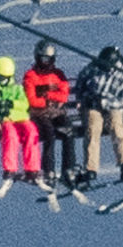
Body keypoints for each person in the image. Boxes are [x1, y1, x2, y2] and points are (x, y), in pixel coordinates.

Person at [22, 39, 83, 188]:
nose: (46, 63)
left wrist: (47, 96)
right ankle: (48, 170)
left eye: (49, 59)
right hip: (39, 114)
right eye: (43, 59)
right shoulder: (31, 75)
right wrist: (48, 100)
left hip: (57, 112)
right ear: (37, 58)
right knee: (49, 133)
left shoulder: (58, 74)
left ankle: (68, 169)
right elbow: (32, 100)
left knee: (68, 130)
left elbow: (64, 95)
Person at [76, 45, 123, 186]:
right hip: (93, 104)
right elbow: (81, 82)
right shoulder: (94, 67)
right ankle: (90, 169)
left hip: (113, 105)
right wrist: (84, 98)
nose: (101, 69)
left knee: (116, 126)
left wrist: (105, 102)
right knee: (92, 128)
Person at [0, 55, 42, 186]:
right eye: (0, 77)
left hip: (21, 118)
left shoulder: (17, 89)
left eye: (5, 78)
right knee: (10, 135)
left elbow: (24, 104)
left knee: (31, 132)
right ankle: (10, 169)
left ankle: (32, 168)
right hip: (6, 121)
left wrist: (11, 105)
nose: (2, 80)